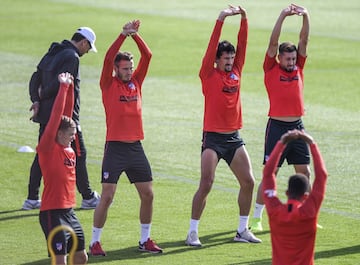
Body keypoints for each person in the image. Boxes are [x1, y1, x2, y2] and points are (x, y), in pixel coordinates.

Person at [185, 5, 261, 247]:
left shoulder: (236, 71)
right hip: (213, 139)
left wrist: (244, 19)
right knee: (206, 183)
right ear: (216, 60)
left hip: (234, 139)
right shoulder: (208, 74)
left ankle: (241, 230)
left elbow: (243, 45)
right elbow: (210, 48)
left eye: (231, 58)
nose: (229, 61)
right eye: (225, 58)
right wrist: (220, 20)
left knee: (248, 182)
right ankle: (192, 232)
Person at [89, 19, 162, 256]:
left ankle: (145, 239)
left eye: (131, 68)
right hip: (115, 149)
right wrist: (122, 35)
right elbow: (108, 57)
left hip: (135, 148)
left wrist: (136, 36)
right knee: (108, 196)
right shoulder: (107, 84)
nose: (129, 72)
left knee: (148, 194)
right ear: (116, 69)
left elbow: (148, 56)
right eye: (125, 69)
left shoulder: (136, 83)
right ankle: (95, 242)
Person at [23, 26, 100, 210]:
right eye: (88, 48)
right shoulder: (72, 57)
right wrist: (42, 97)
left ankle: (32, 198)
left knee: (43, 155)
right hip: (64, 117)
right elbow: (63, 85)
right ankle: (88, 196)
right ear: (83, 42)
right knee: (80, 154)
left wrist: (36, 99)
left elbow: (35, 77)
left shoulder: (54, 50)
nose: (87, 51)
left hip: (45, 115)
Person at [250, 4, 311, 232]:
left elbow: (304, 40)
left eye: (294, 58)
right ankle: (256, 217)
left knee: (304, 172)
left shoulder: (299, 68)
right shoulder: (270, 68)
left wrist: (306, 16)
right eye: (288, 59)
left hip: (297, 126)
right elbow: (273, 43)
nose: (292, 62)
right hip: (277, 127)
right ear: (280, 58)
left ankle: (305, 215)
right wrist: (283, 16)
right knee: (271, 174)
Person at [38, 72, 88, 265]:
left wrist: (72, 87)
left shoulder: (70, 151)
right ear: (58, 133)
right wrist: (63, 88)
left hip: (70, 212)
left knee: (81, 256)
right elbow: (57, 117)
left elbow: (68, 114)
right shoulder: (48, 148)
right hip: (52, 213)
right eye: (70, 135)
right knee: (60, 260)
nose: (72, 138)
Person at [262, 129, 327, 265]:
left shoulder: (275, 210)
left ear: (287, 192)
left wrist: (281, 143)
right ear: (305, 195)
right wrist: (311, 143)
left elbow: (268, 174)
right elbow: (321, 177)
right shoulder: (309, 212)